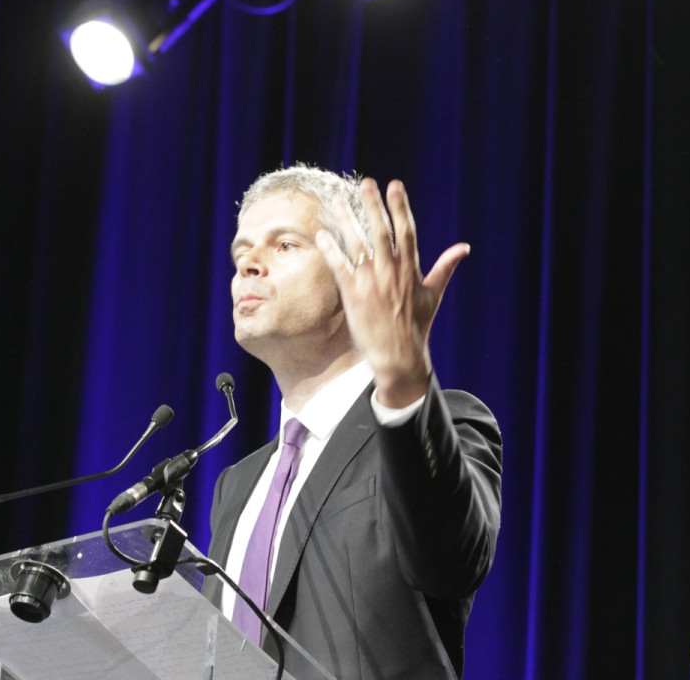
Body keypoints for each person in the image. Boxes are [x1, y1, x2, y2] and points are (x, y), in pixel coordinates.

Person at [204, 164, 502, 680]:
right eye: (241, 253)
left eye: (285, 245)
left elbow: (452, 560)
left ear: (355, 276)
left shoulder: (439, 424)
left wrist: (404, 378)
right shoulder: (237, 485)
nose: (248, 265)